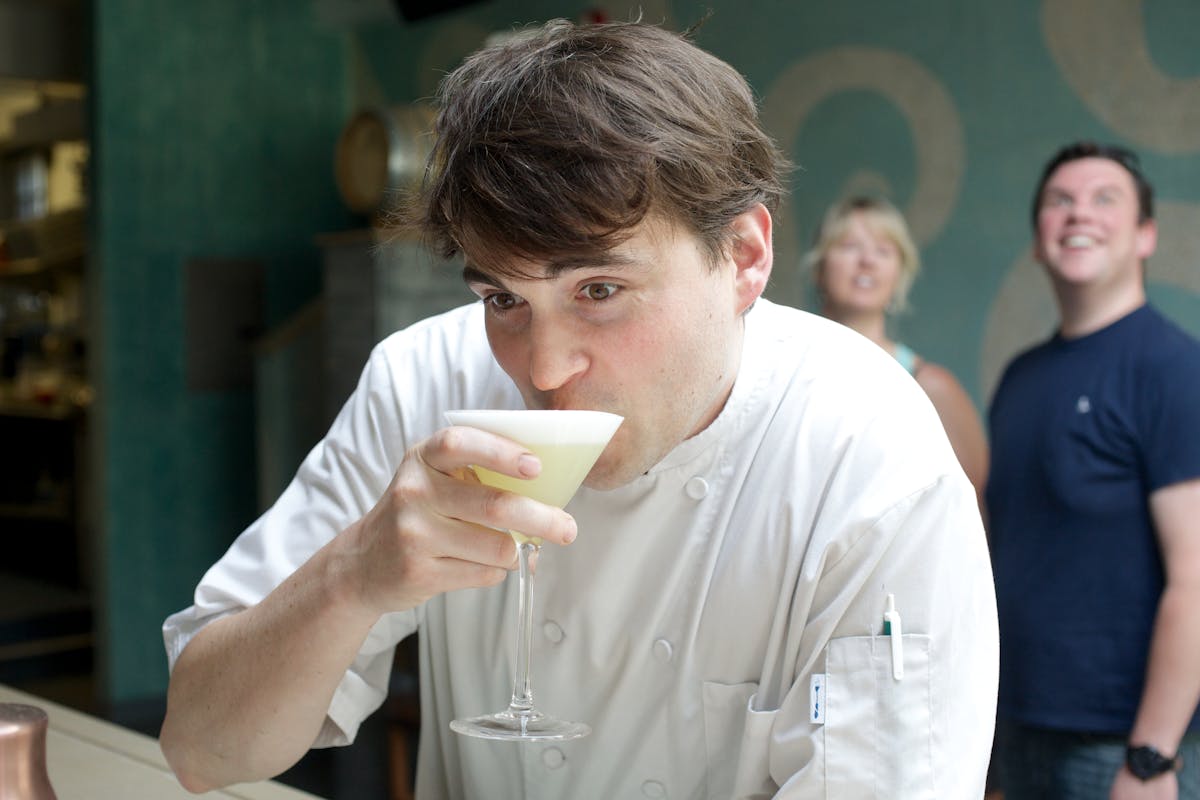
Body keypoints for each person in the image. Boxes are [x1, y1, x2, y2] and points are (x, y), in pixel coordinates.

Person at [159, 19, 998, 799]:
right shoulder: (425, 380)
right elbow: (201, 748)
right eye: (501, 298)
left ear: (744, 256)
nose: (545, 369)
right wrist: (351, 577)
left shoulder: (871, 455)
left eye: (599, 289)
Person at [987, 141, 1200, 798]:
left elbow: (1196, 578)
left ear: (1145, 235)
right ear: (1037, 240)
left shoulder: (1173, 369)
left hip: (1115, 747)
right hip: (1014, 732)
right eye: (1061, 200)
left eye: (1106, 199)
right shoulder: (1020, 377)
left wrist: (1151, 756)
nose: (1080, 214)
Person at [804, 195, 989, 507]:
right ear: (820, 267)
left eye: (883, 250)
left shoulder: (930, 385)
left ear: (899, 275)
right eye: (849, 245)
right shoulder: (784, 370)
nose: (867, 261)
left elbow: (971, 512)